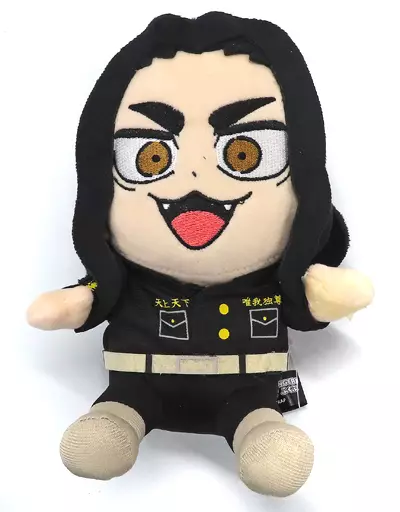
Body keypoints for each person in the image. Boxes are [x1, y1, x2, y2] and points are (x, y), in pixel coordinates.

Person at [27, 12, 374, 497]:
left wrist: (327, 292)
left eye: (244, 153)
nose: (194, 176)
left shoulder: (275, 283)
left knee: (267, 442)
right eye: (152, 156)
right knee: (107, 430)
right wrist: (73, 301)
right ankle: (116, 421)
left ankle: (258, 434)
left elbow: (310, 307)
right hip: (138, 385)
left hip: (247, 393)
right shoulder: (126, 279)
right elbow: (85, 299)